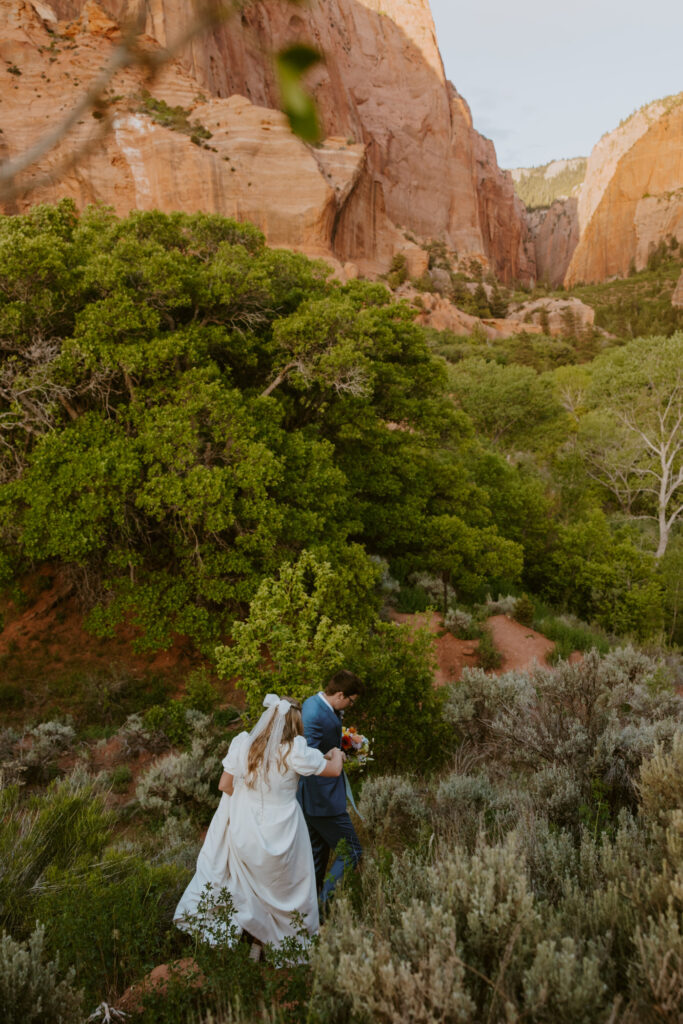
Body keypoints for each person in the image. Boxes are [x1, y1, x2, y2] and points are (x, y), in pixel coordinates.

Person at [173, 693, 343, 953]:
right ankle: (277, 946)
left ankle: (245, 948)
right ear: (295, 725)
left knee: (248, 887)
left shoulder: (243, 744)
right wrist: (336, 752)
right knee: (287, 891)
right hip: (284, 832)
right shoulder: (295, 751)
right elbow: (334, 770)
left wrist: (248, 800)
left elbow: (224, 785)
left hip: (246, 830)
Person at [298, 670, 364, 905]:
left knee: (318, 854)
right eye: (351, 701)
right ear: (339, 694)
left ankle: (309, 910)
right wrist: (339, 757)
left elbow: (329, 740)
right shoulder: (314, 713)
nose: (350, 706)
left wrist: (349, 743)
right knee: (352, 851)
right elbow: (310, 756)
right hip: (321, 797)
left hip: (315, 797)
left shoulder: (316, 704)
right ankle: (325, 904)